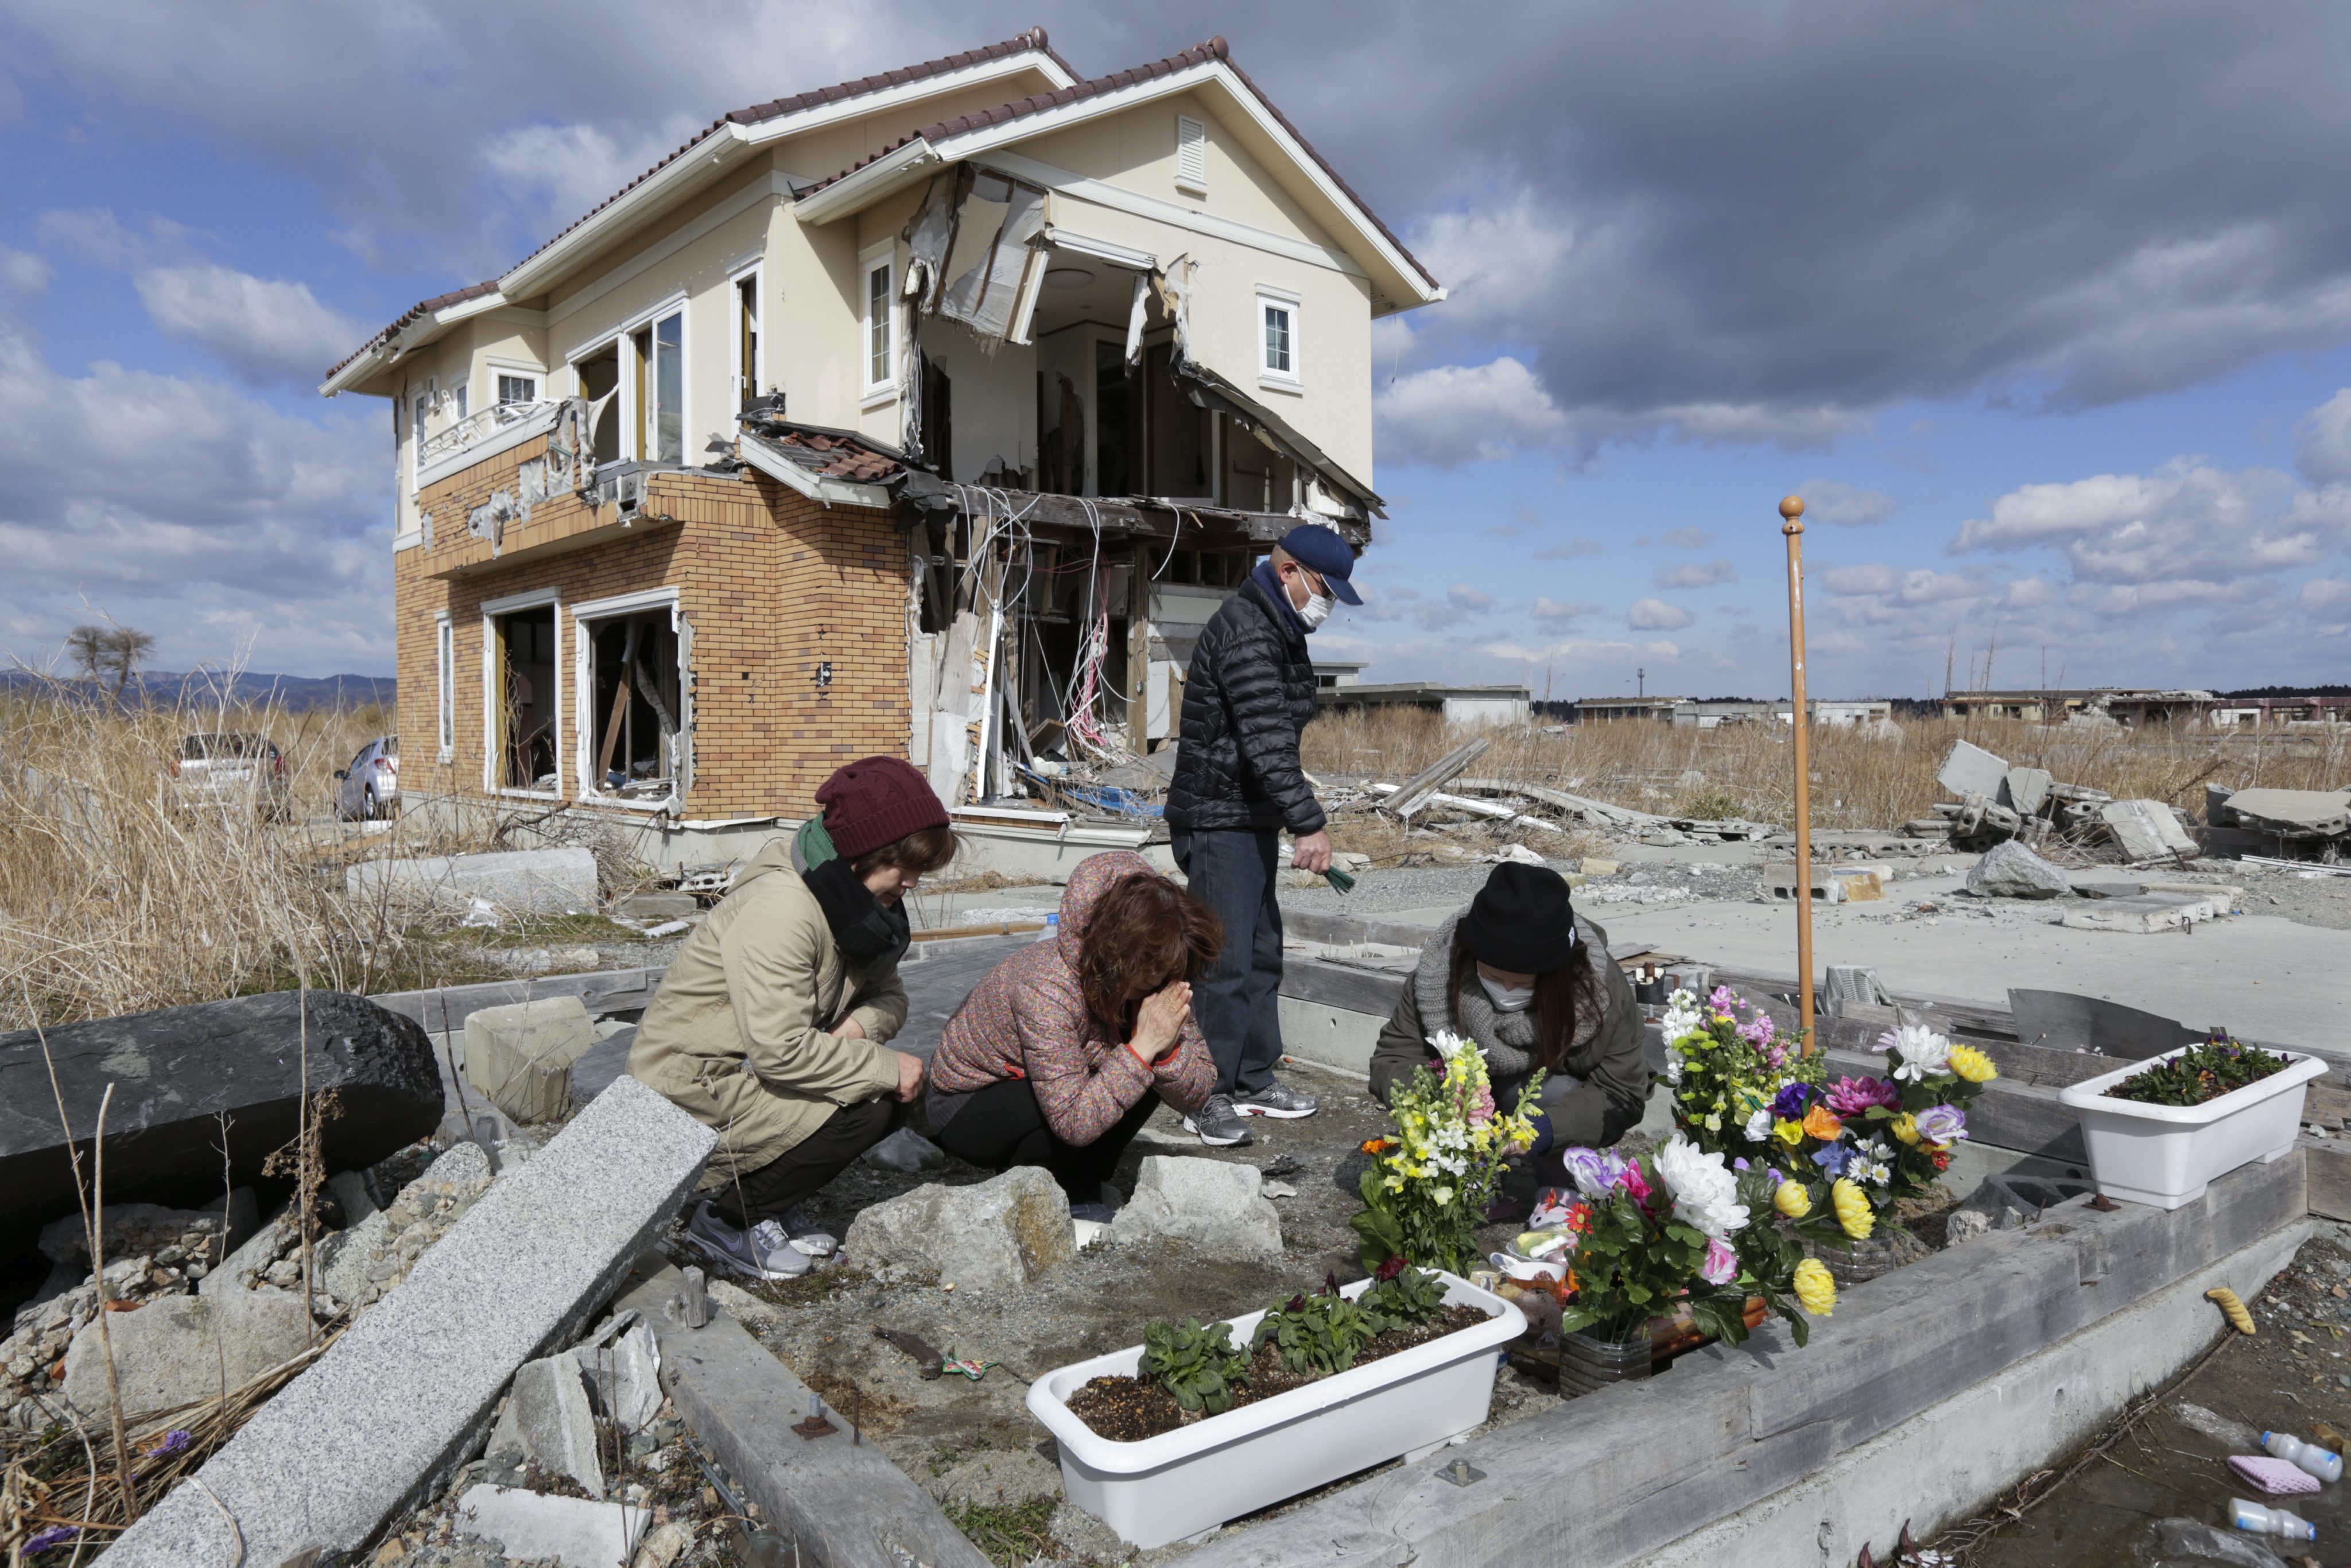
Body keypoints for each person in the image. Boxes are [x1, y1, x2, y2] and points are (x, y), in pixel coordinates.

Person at [630, 756, 955, 1280]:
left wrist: (856, 1031)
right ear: (867, 851)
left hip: (750, 1071)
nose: (914, 882)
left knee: (878, 1089)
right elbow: (781, 1052)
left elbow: (892, 997)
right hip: (692, 1087)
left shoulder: (852, 900)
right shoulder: (784, 908)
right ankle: (728, 1221)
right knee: (874, 1100)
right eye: (908, 863)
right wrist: (882, 1065)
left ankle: (772, 1201)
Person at [1164, 522, 1360, 1146]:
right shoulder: (1249, 630)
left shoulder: (1277, 625)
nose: (1325, 603)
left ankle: (1252, 1076)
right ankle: (1205, 1092)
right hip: (1218, 817)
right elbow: (1266, 739)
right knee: (1221, 962)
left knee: (1262, 950)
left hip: (1245, 816)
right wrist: (1308, 822)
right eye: (1322, 588)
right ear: (1288, 572)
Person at [925, 851, 1220, 1220]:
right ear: (1114, 949)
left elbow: (1200, 1087)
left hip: (1058, 1089)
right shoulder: (1046, 985)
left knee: (1145, 1067)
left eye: (1165, 969)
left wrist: (1165, 1048)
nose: (1157, 980)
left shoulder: (1159, 973)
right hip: (969, 1101)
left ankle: (1084, 1185)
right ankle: (1032, 1189)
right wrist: (1144, 1044)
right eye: (1149, 968)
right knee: (1129, 1062)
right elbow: (1072, 1120)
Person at [1369, 861, 1650, 1197]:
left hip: (1546, 1106)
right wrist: (1441, 1107)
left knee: (1551, 1092)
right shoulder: (1439, 973)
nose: (1505, 989)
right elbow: (1394, 1058)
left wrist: (1543, 1129)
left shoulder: (1599, 991)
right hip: (1465, 1107)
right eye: (1492, 975)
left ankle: (1558, 1192)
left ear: (1555, 978)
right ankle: (1468, 1185)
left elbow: (1623, 1093)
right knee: (1442, 1088)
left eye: (1522, 983)